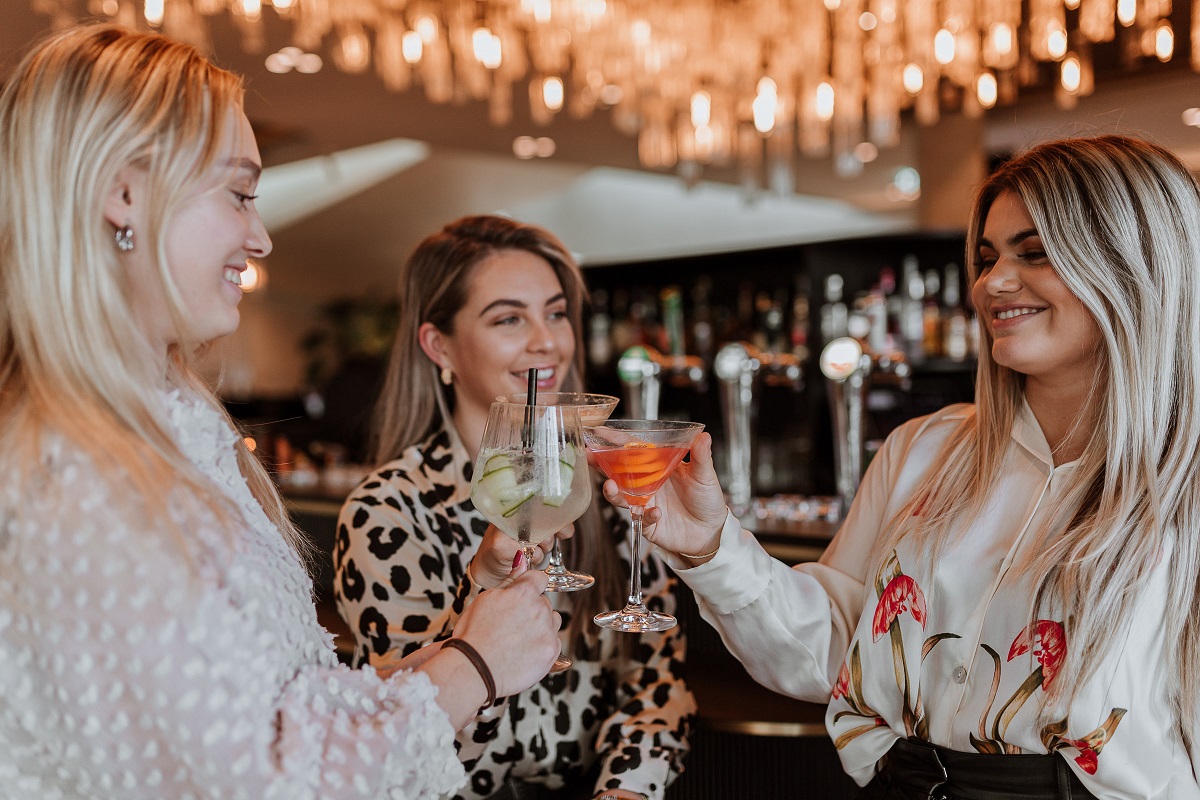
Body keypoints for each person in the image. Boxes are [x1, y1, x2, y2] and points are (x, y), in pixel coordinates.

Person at [0, 25, 563, 799]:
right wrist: (474, 666)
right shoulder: (76, 473)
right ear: (123, 192)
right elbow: (267, 784)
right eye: (238, 193)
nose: (260, 238)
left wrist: (470, 632)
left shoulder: (164, 436)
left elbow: (281, 711)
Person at [614, 135, 1200, 800]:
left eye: (1035, 253)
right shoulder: (923, 449)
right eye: (987, 258)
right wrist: (711, 547)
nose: (992, 283)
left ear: (1136, 265)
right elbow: (832, 651)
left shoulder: (1184, 481)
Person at [335, 215, 695, 800]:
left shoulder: (614, 486)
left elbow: (656, 688)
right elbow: (415, 747)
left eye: (556, 313)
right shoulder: (387, 513)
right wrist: (482, 601)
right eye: (508, 318)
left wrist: (624, 792)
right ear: (438, 345)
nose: (546, 340)